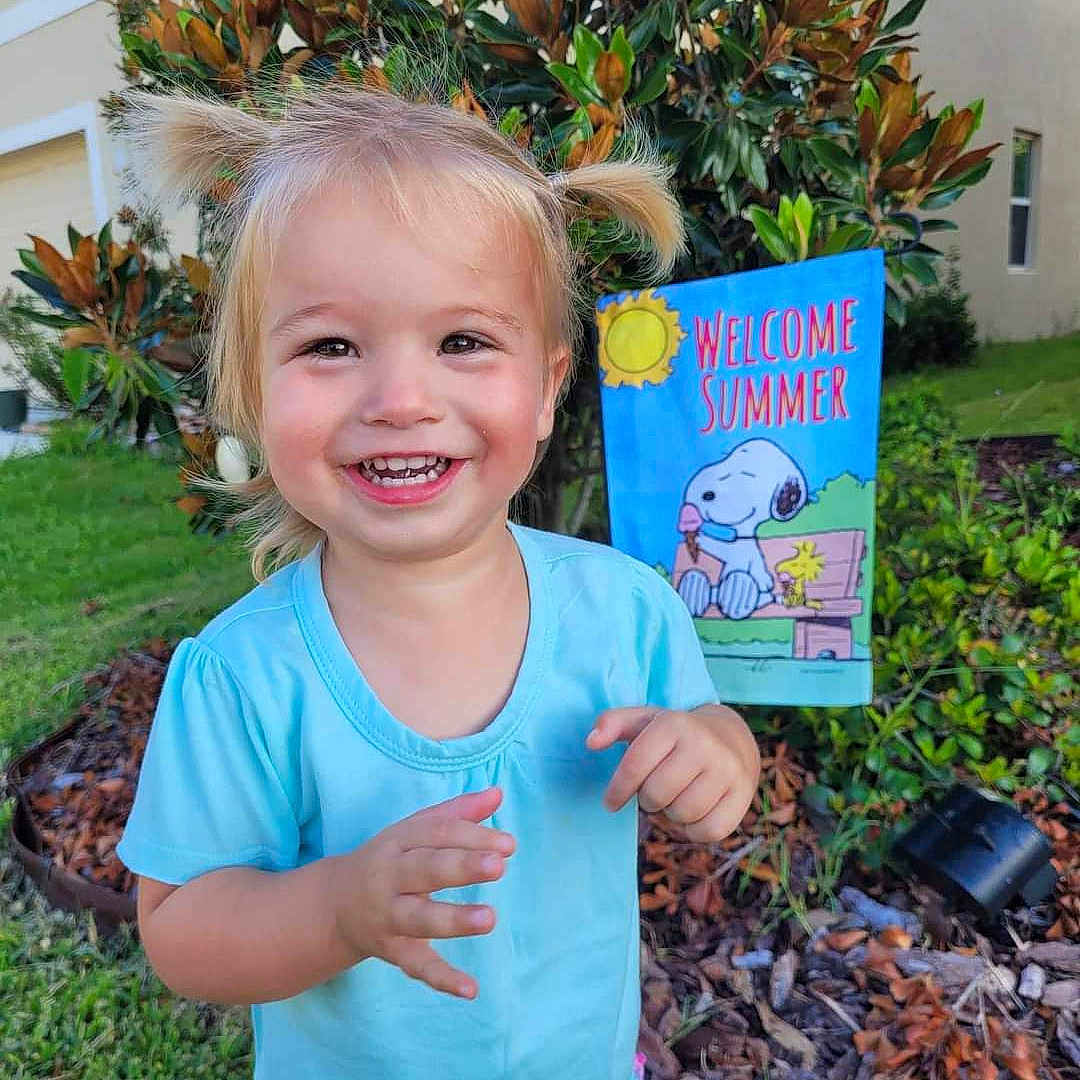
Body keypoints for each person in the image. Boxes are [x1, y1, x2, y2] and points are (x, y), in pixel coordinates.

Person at [115, 81, 760, 1080]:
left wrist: (720, 753)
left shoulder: (626, 609)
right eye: (331, 347)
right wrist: (339, 907)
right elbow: (184, 934)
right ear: (252, 393)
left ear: (548, 389)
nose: (403, 400)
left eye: (463, 342)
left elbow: (711, 726)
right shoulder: (244, 675)